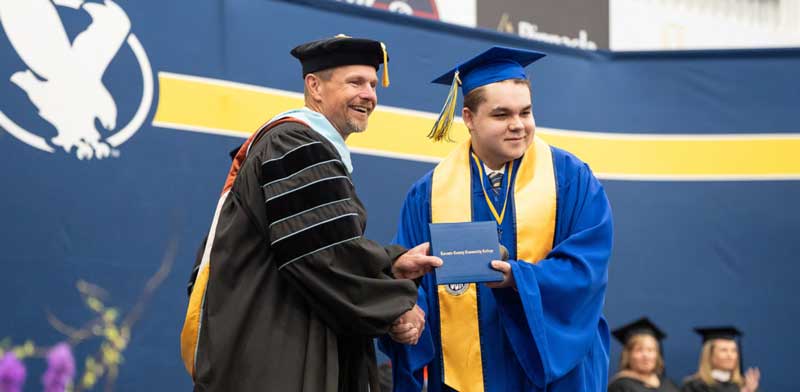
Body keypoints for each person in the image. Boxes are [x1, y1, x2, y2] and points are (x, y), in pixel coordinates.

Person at [180, 35, 442, 392]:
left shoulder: (303, 147)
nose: (369, 95)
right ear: (314, 86)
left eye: (373, 84)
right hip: (275, 357)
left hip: (280, 344)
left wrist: (390, 265)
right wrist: (396, 303)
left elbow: (321, 240)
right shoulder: (294, 145)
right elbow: (321, 256)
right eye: (355, 82)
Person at [379, 46, 614, 391]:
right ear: (469, 119)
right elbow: (415, 277)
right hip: (467, 372)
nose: (518, 125)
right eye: (502, 115)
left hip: (555, 372)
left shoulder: (571, 180)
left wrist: (520, 279)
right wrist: (407, 311)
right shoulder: (428, 195)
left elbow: (586, 270)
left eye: (526, 112)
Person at [608, 317, 679, 392]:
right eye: (639, 350)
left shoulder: (668, 384)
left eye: (650, 350)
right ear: (628, 355)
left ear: (658, 354)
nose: (646, 355)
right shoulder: (620, 386)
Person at [681, 327, 760, 392]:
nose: (730, 355)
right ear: (709, 355)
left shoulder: (745, 385)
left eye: (734, 350)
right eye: (724, 350)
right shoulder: (694, 386)